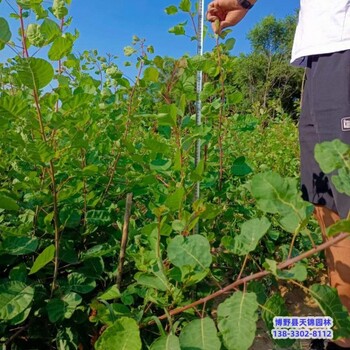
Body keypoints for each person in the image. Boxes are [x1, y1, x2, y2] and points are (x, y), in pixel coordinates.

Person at [206, 1, 350, 349]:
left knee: (346, 191)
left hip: (343, 48)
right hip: (318, 54)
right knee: (323, 196)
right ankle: (341, 328)